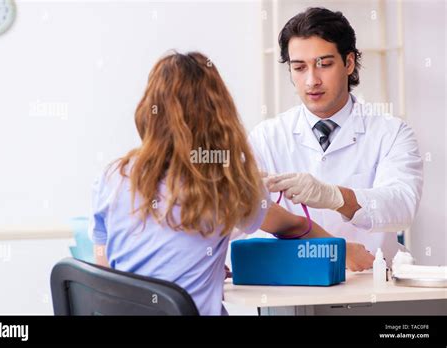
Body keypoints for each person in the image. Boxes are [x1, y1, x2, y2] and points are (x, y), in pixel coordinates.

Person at [88, 51, 335, 315]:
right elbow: (285, 224)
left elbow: (105, 275)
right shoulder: (227, 180)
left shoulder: (113, 176)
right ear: (219, 113)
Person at [249, 7, 423, 268]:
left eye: (324, 65)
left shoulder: (391, 132)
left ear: (349, 63)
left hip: (370, 285)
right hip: (291, 287)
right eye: (299, 68)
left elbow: (402, 206)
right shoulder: (267, 136)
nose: (311, 81)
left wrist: (336, 197)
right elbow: (243, 211)